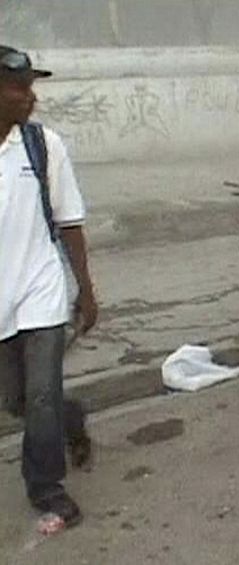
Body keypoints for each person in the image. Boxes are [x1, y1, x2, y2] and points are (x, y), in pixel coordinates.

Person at [0, 45, 98, 528]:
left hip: (41, 291)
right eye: (18, 88)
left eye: (31, 87)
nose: (30, 97)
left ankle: (46, 487)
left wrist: (86, 289)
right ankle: (71, 419)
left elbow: (70, 221)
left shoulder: (43, 147)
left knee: (40, 396)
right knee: (18, 401)